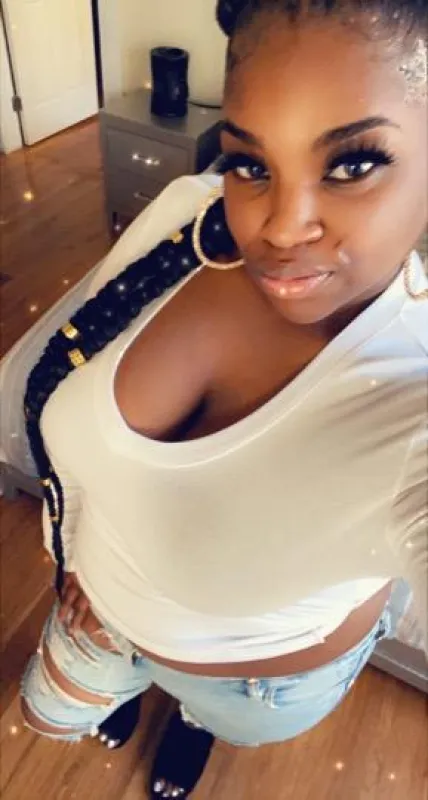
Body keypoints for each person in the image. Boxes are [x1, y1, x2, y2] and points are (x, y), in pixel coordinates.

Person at [21, 1, 427, 798]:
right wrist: (77, 556)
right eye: (250, 163)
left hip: (252, 684)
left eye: (352, 164)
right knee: (45, 714)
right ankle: (133, 689)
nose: (279, 227)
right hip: (89, 609)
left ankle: (194, 721)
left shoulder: (412, 397)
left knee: (207, 714)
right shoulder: (188, 219)